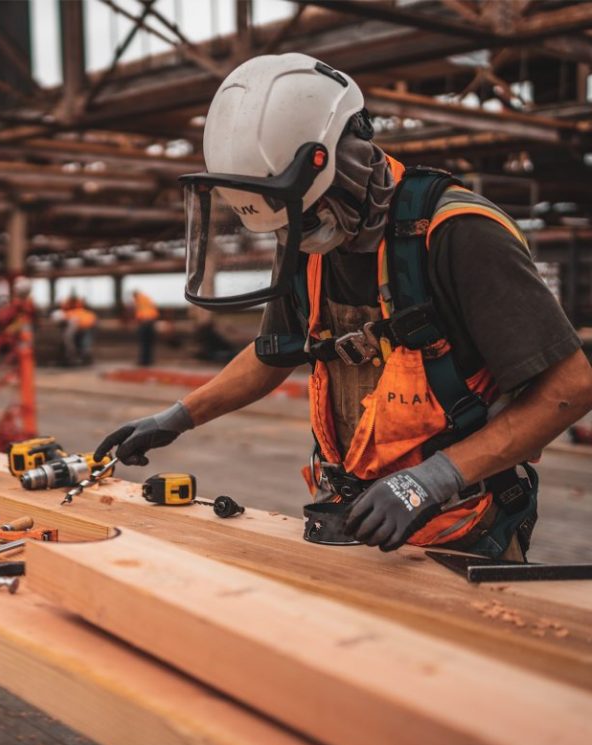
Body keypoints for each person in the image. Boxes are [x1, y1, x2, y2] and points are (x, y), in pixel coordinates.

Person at [95, 53, 592, 561]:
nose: (300, 234)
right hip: (349, 518)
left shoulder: (456, 233)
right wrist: (178, 417)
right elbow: (276, 353)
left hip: (461, 525)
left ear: (344, 161)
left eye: (308, 216)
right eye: (290, 223)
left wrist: (434, 479)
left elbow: (570, 388)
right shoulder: (304, 240)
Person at [132, 289, 159, 366]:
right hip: (151, 321)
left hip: (145, 322)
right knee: (149, 343)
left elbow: (140, 312)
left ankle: (144, 361)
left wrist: (138, 320)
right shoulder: (146, 298)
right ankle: (148, 360)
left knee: (144, 343)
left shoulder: (139, 299)